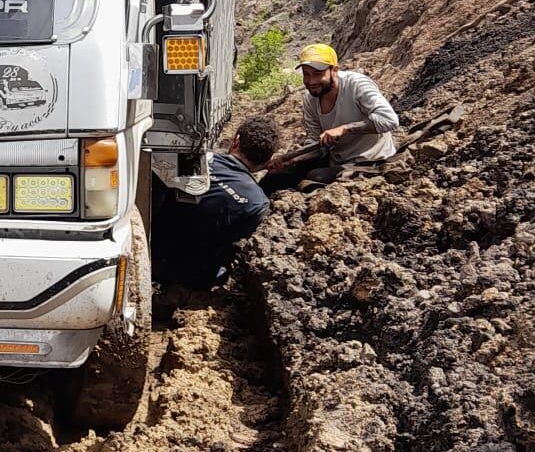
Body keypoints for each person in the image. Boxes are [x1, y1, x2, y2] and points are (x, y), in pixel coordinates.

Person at [262, 44, 399, 195]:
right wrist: (294, 159)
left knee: (315, 177)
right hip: (336, 158)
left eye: (317, 74)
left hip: (370, 159)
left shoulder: (356, 85)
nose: (311, 81)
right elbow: (316, 144)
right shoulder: (310, 99)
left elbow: (389, 120)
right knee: (274, 177)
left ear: (334, 70)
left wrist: (345, 129)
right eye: (306, 74)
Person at [167, 116, 279, 290]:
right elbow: (234, 249)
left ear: (236, 141)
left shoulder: (198, 159)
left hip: (154, 251)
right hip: (192, 276)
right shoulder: (257, 202)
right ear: (269, 158)